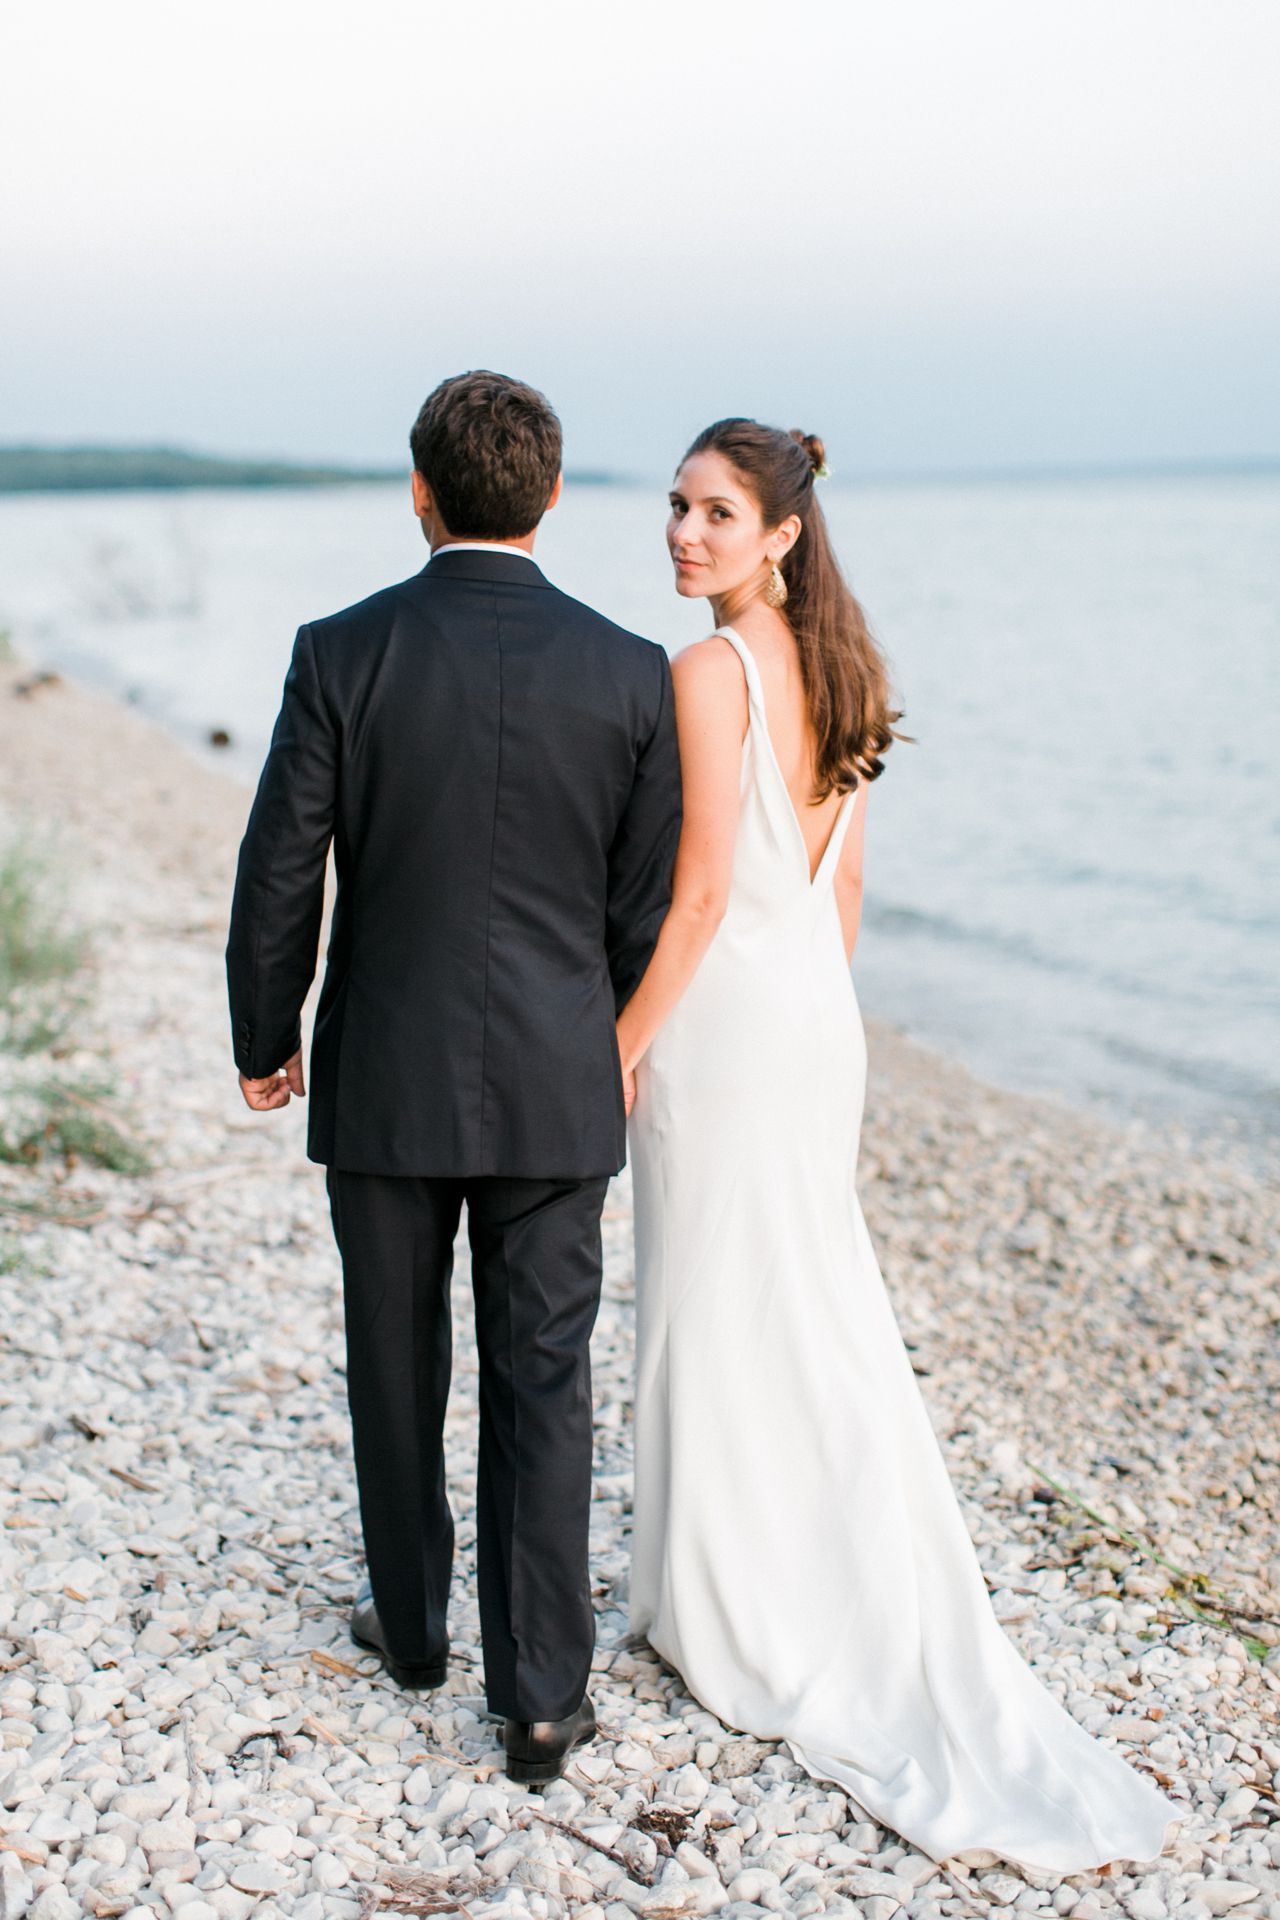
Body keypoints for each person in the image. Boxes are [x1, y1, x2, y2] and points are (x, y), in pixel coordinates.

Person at [617, 417, 1181, 1871]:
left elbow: (690, 901)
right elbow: (845, 883)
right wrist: (818, 1017)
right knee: (803, 1297)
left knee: (713, 1303)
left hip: (730, 1017)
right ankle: (785, 1575)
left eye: (718, 514)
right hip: (816, 1016)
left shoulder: (708, 669)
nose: (685, 534)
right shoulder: (847, 669)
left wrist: (620, 1044)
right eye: (679, 507)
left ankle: (721, 1601)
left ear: (781, 534)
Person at [225, 370, 681, 1785]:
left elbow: (281, 868)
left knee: (397, 1358)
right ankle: (541, 1697)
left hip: (388, 1075)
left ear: (420, 490)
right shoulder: (629, 670)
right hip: (558, 1080)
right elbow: (641, 904)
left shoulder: (341, 651)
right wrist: (599, 1040)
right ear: (550, 497)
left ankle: (415, 1629)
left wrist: (265, 1030)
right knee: (542, 1378)